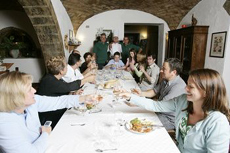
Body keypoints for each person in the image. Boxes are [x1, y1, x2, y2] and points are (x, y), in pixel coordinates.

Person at [121, 69, 230, 153]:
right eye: (187, 84)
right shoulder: (183, 100)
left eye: (191, 87)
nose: (185, 89)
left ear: (207, 92)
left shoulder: (218, 122)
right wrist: (130, 96)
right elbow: (156, 105)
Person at [0, 71, 93, 153]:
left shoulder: (29, 103)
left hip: (42, 146)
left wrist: (83, 98)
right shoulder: (4, 123)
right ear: (16, 96)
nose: (34, 90)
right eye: (29, 89)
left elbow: (57, 102)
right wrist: (45, 133)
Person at [37, 56, 93, 128]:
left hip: (56, 109)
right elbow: (69, 86)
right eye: (66, 66)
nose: (68, 68)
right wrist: (86, 80)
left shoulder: (54, 78)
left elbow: (61, 91)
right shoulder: (49, 80)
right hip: (50, 116)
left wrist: (73, 93)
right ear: (61, 71)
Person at [136, 58, 186, 130]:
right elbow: (154, 91)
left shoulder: (179, 86)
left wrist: (137, 101)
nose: (161, 70)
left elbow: (160, 106)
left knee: (141, 124)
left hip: (169, 119)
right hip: (160, 111)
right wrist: (140, 94)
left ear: (173, 72)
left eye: (164, 69)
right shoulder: (165, 79)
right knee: (138, 115)